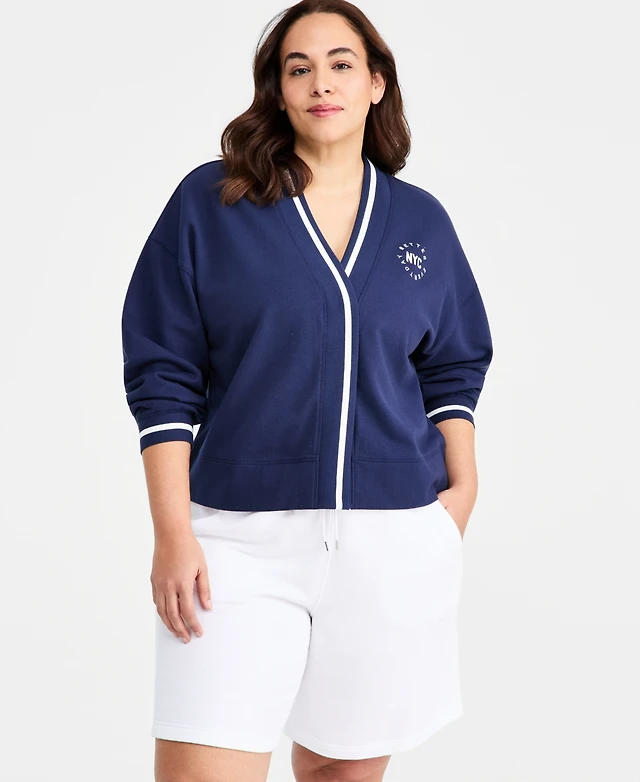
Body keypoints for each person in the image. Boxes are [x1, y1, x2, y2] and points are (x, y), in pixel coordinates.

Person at [120, 1, 493, 780]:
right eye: (300, 68)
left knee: (339, 772)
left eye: (340, 64)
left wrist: (461, 490)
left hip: (392, 545)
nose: (321, 82)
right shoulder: (214, 204)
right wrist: (172, 532)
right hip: (236, 544)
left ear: (376, 83)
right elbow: (163, 372)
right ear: (280, 91)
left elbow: (453, 364)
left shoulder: (420, 221)